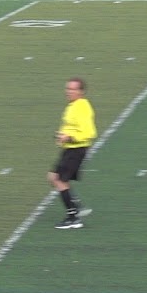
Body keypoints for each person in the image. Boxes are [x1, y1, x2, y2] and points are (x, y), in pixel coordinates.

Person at [49, 77, 97, 229]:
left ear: (81, 92)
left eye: (72, 89)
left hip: (77, 149)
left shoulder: (82, 107)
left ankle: (73, 217)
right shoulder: (73, 105)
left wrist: (69, 137)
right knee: (53, 177)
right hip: (69, 148)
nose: (68, 92)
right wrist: (62, 137)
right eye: (67, 88)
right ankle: (76, 207)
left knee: (59, 180)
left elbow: (90, 132)